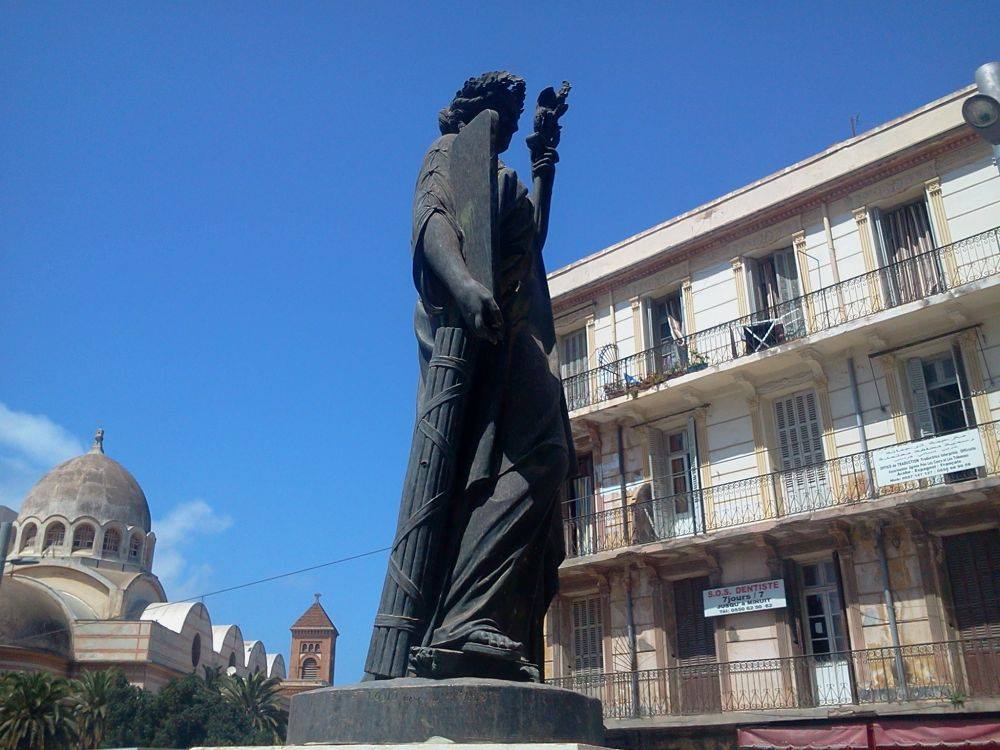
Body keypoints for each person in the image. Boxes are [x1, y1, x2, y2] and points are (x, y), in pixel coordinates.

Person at [366, 71, 573, 679]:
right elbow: (433, 223)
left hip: (506, 333)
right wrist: (462, 284)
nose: (508, 128)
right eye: (504, 119)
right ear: (478, 112)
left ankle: (475, 614)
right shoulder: (450, 154)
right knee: (507, 463)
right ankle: (461, 620)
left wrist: (545, 162)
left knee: (543, 455)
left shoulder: (501, 174)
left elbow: (526, 241)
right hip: (470, 329)